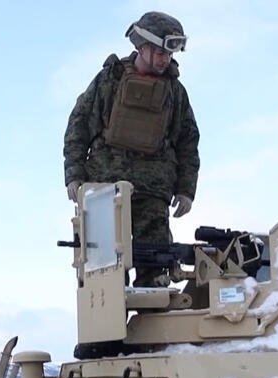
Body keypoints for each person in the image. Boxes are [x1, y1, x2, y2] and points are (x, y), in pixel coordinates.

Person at [63, 11, 200, 287]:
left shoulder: (176, 92)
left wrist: (186, 190)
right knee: (104, 273)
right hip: (105, 189)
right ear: (142, 46)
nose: (165, 60)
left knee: (156, 270)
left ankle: (153, 327)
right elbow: (79, 125)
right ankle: (108, 329)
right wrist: (74, 174)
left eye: (169, 54)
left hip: (153, 192)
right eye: (160, 52)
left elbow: (188, 141)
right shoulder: (109, 80)